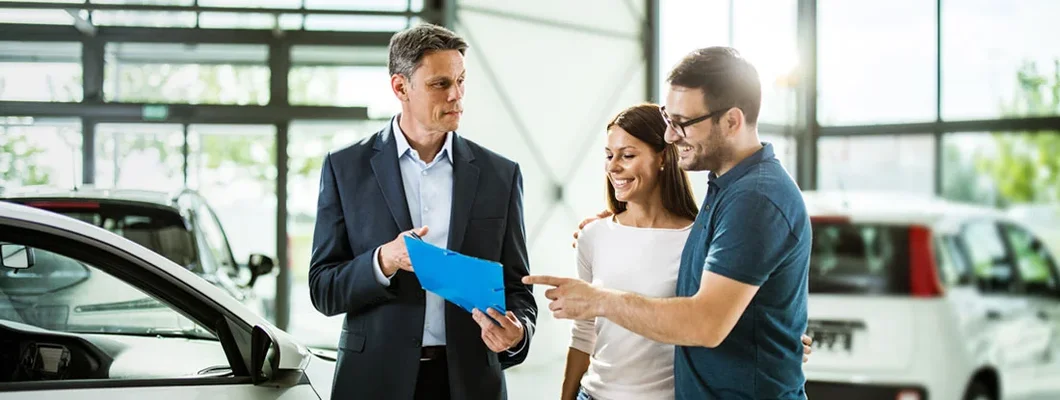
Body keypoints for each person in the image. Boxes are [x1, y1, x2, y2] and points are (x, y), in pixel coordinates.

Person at [526, 47, 812, 399]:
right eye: (667, 118)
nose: (671, 136)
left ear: (731, 121)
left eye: (682, 123)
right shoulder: (725, 189)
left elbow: (705, 323)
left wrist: (599, 300)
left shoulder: (755, 199)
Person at [308, 23, 537, 400]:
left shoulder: (501, 175)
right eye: (440, 84)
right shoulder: (345, 168)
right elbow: (323, 288)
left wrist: (518, 333)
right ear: (401, 87)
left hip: (470, 383)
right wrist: (384, 260)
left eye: (461, 81)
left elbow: (518, 289)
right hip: (374, 383)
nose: (456, 95)